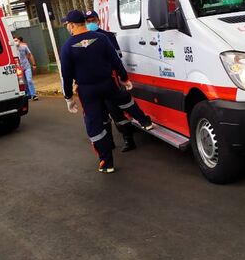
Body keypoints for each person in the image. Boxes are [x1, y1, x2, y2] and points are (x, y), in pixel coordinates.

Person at [60, 11, 152, 173]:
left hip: (87, 90)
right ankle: (145, 122)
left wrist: (68, 97)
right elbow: (115, 60)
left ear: (72, 25)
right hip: (107, 83)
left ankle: (107, 162)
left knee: (94, 124)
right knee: (124, 100)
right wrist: (124, 78)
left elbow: (66, 75)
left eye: (67, 24)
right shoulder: (101, 39)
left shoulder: (67, 47)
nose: (68, 27)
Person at [85, 10, 151, 152]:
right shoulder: (84, 40)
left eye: (92, 20)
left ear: (98, 20)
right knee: (102, 116)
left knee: (116, 111)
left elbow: (117, 56)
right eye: (88, 21)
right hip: (93, 84)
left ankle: (128, 139)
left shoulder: (107, 36)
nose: (90, 23)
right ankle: (108, 143)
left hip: (109, 79)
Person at [13, 36, 38, 100]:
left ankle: (33, 94)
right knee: (24, 82)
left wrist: (33, 64)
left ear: (19, 41)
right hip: (19, 68)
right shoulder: (12, 49)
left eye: (17, 40)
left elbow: (30, 54)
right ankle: (28, 94)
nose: (16, 42)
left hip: (27, 66)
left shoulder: (24, 47)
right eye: (14, 41)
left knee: (29, 80)